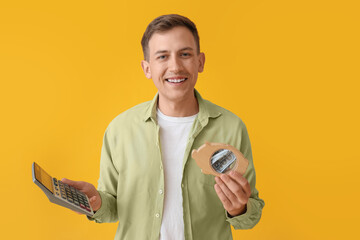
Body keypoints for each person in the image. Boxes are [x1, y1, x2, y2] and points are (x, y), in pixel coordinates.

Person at [62, 14, 264, 240]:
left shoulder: (231, 127)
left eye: (185, 54)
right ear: (147, 68)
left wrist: (239, 208)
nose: (175, 66)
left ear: (200, 61)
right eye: (162, 56)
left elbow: (251, 215)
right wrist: (96, 201)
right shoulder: (120, 129)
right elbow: (112, 208)